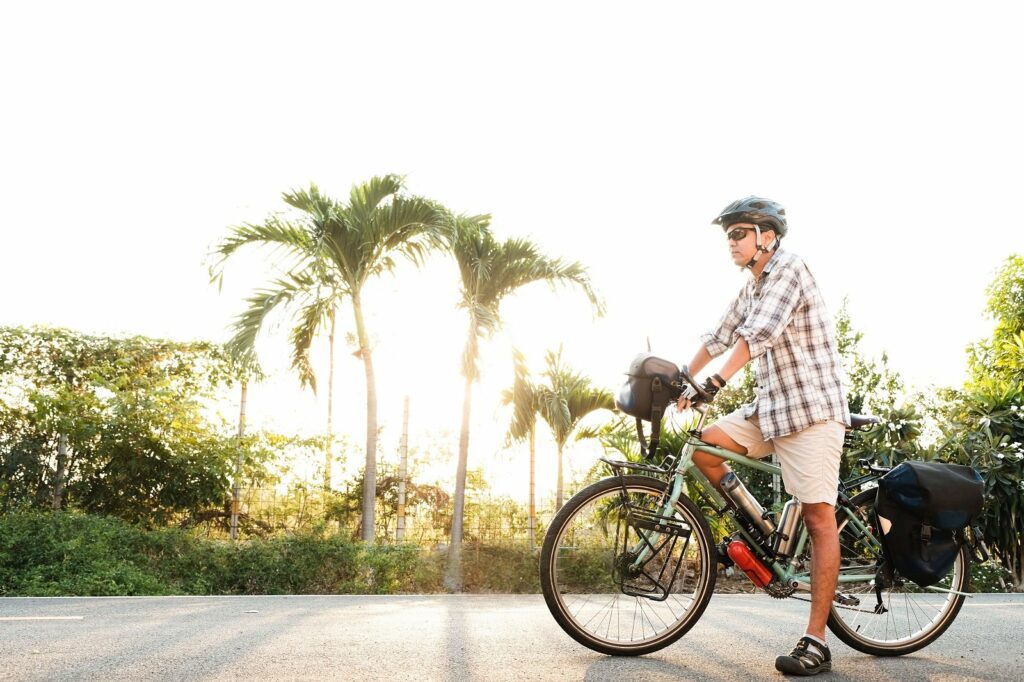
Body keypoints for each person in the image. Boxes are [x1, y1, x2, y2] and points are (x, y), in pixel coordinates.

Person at [675, 196, 850, 676]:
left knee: (818, 518)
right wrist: (683, 379)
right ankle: (769, 537)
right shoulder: (750, 286)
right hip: (770, 408)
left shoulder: (790, 269)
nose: (730, 242)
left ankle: (816, 641)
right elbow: (720, 334)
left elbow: (758, 335)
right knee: (706, 448)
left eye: (738, 233)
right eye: (727, 235)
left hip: (812, 411)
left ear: (766, 237)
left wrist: (714, 383)